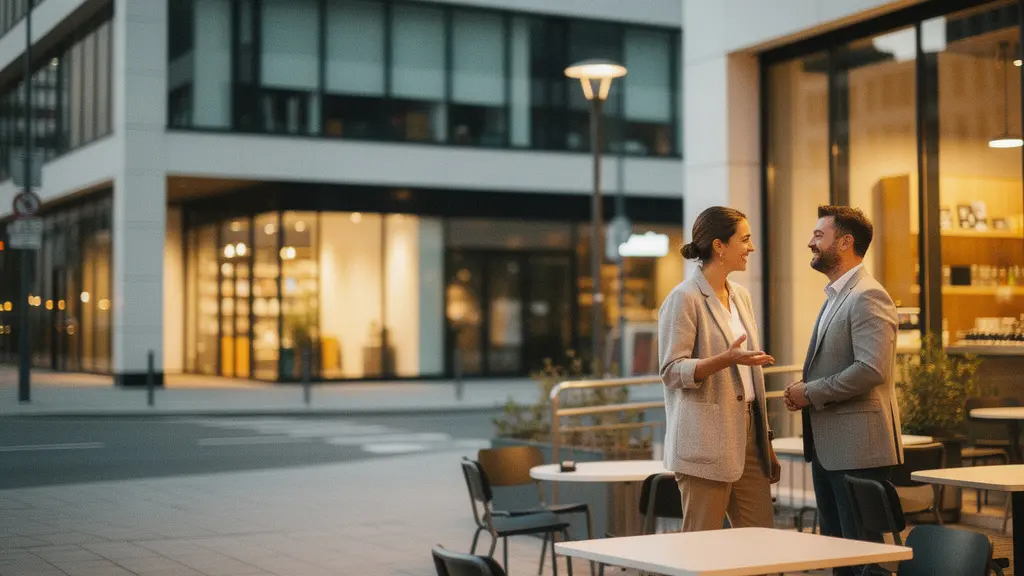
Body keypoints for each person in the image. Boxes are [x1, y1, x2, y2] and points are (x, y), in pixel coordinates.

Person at [784, 205, 903, 575]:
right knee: (840, 555)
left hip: (857, 451)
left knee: (863, 557)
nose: (810, 242)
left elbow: (871, 370)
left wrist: (811, 392)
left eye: (819, 236)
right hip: (831, 449)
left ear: (846, 242)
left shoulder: (868, 295)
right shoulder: (838, 295)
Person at [658, 206, 781, 532]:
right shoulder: (684, 298)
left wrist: (765, 440)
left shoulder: (741, 296)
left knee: (762, 544)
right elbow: (671, 371)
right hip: (704, 444)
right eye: (745, 239)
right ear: (719, 246)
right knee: (702, 549)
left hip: (750, 440)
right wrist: (725, 359)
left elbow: (747, 379)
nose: (751, 247)